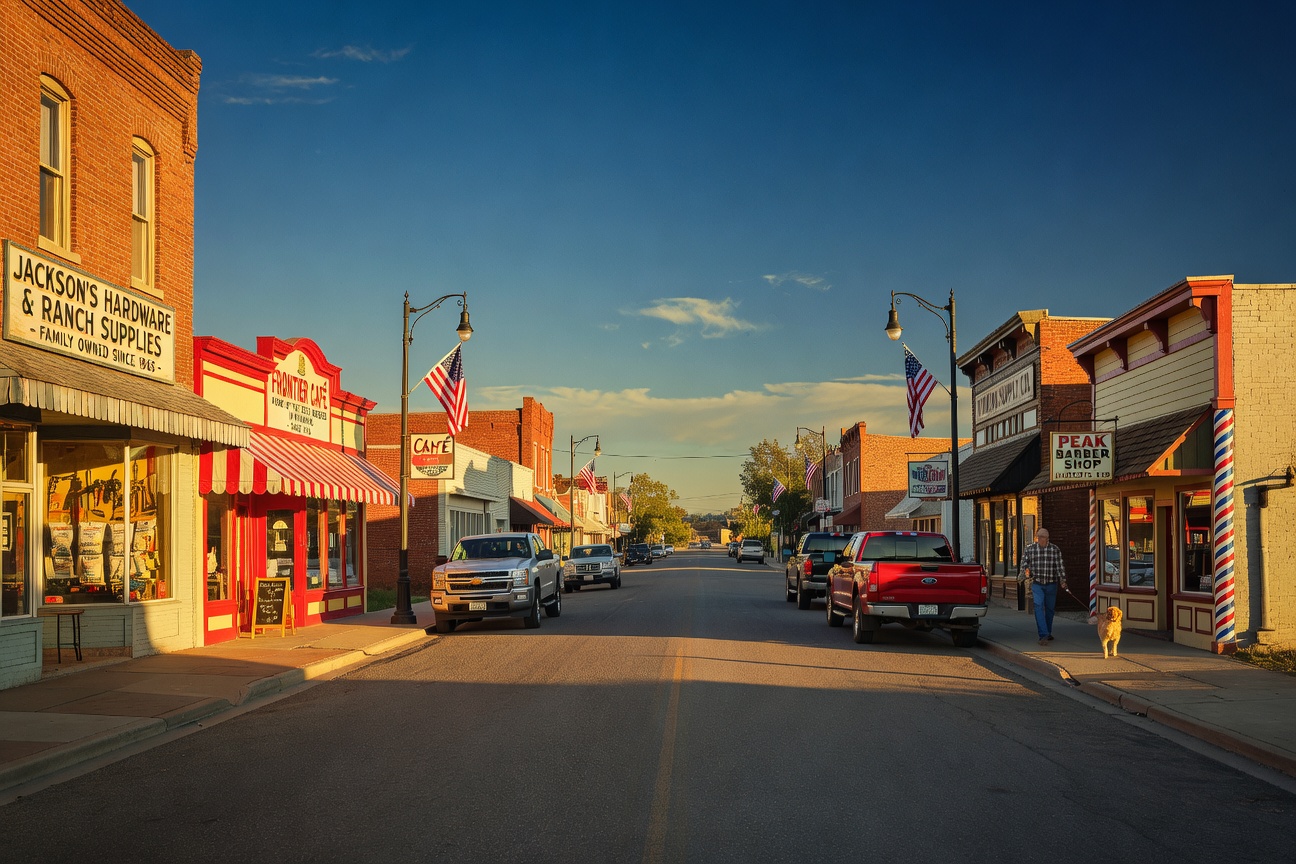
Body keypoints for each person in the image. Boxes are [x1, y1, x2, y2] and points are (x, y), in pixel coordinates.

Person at [1021, 528, 1066, 646]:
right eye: (1038, 537)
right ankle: (1043, 635)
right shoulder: (1030, 549)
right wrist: (1026, 571)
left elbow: (1059, 566)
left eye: (1042, 537)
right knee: (1038, 606)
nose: (1039, 539)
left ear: (1047, 538)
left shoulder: (1054, 549)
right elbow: (1024, 563)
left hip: (1051, 583)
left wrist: (1062, 580)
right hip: (1037, 583)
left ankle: (1048, 632)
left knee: (1050, 609)